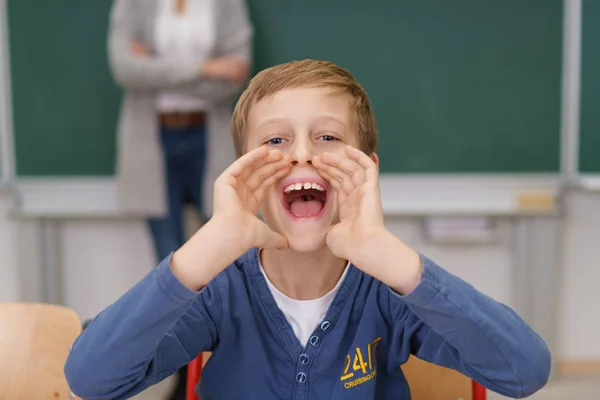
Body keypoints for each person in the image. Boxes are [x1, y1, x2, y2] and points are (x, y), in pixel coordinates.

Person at [65, 60, 551, 400]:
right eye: (276, 140)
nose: (301, 154)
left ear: (368, 169)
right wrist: (208, 245)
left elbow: (524, 371)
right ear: (245, 171)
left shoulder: (388, 290)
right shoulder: (221, 291)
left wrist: (390, 255)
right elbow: (91, 379)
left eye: (328, 137)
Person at [106, 0, 252, 398]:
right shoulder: (132, 5)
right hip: (153, 144)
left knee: (226, 266)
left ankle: (225, 372)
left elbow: (235, 75)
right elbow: (125, 69)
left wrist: (155, 68)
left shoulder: (227, 5)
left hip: (212, 139)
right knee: (170, 273)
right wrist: (205, 67)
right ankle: (175, 377)